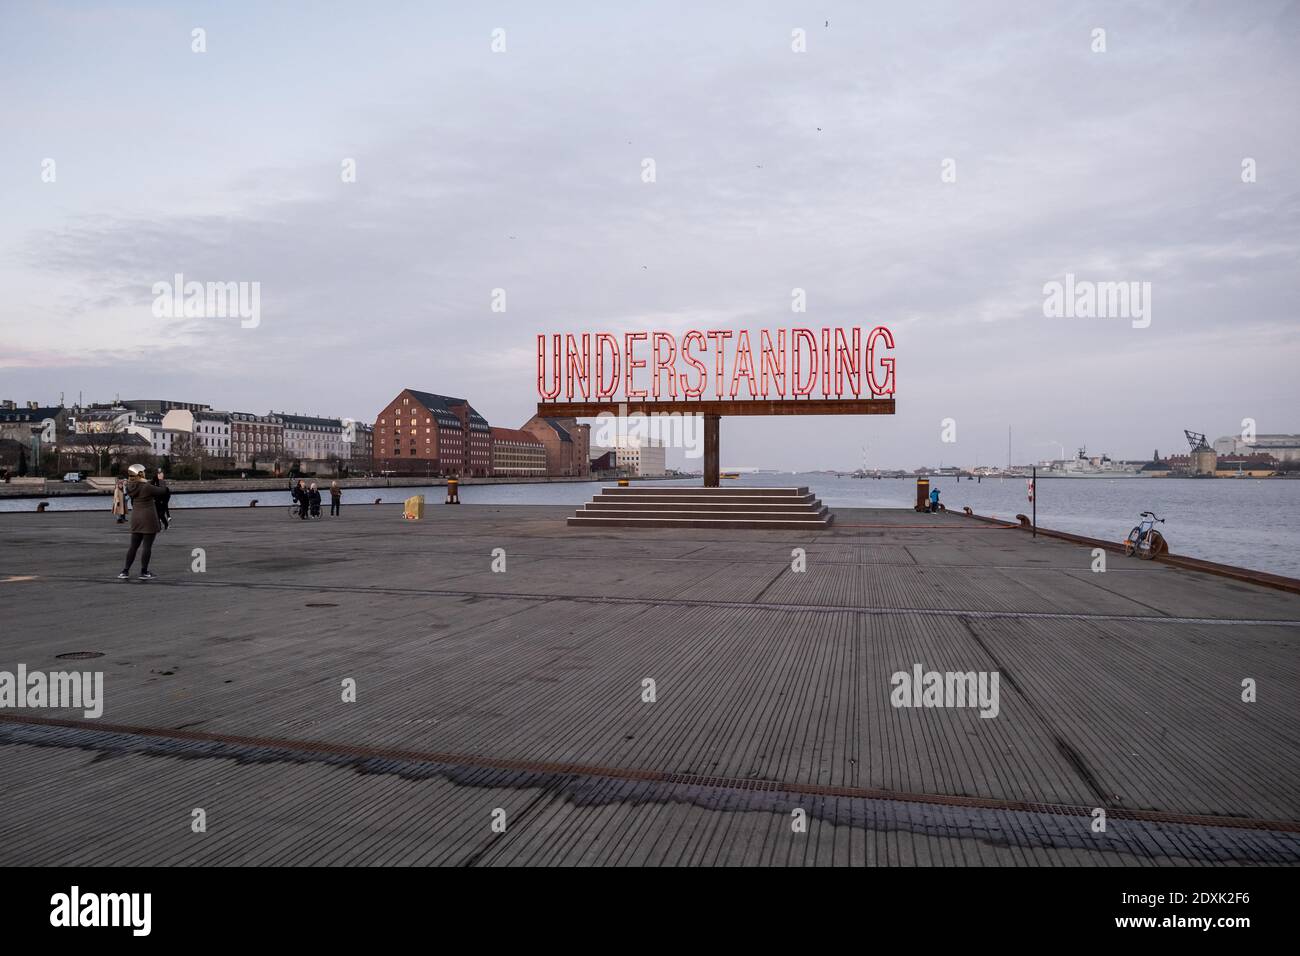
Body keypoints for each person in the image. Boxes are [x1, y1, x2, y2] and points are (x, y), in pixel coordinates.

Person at [119, 464, 165, 579]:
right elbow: (162, 491)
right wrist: (161, 480)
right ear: (140, 474)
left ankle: (125, 571)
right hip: (148, 518)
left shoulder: (130, 486)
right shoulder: (146, 487)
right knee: (147, 547)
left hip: (136, 518)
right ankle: (144, 572)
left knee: (133, 546)